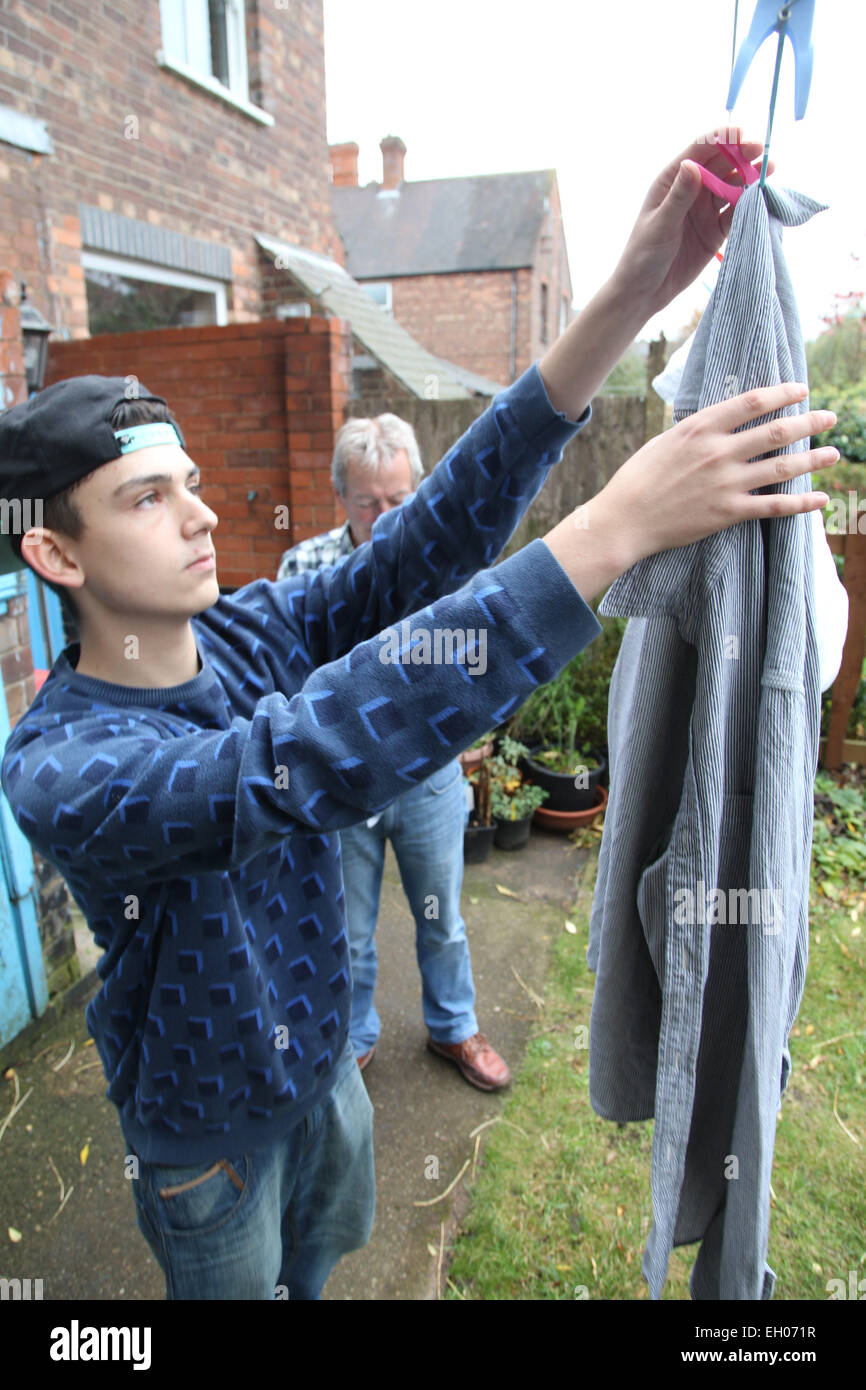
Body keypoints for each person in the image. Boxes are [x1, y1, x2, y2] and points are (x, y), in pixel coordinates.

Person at [0, 131, 838, 1300]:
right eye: (147, 496)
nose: (196, 515)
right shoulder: (61, 762)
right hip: (205, 1147)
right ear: (52, 548)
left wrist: (626, 294)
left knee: (325, 1272)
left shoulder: (254, 627)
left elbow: (420, 546)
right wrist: (604, 534)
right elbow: (285, 764)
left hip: (327, 1082)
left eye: (189, 481)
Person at [277, 414, 510, 1090]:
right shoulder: (304, 568)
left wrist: (472, 729)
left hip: (429, 776)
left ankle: (454, 1026)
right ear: (340, 499)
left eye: (400, 499)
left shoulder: (446, 566)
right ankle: (351, 1035)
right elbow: (287, 681)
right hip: (343, 783)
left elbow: (480, 659)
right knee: (344, 931)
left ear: (420, 491)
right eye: (368, 501)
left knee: (442, 917)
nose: (385, 515)